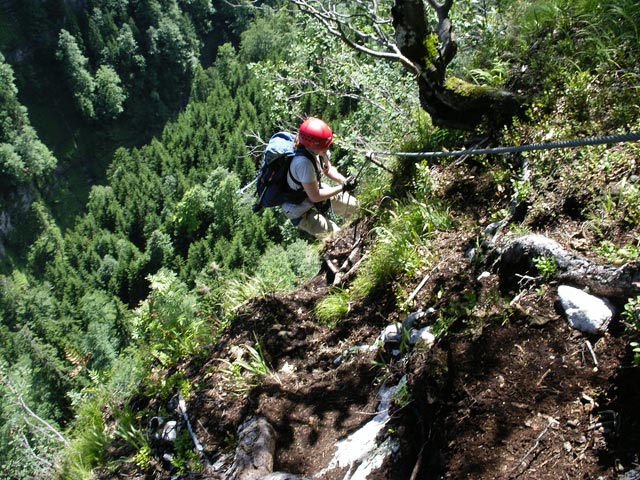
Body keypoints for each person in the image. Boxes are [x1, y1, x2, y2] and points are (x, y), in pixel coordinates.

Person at [281, 117, 359, 238]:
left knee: (356, 207)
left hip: (314, 191)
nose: (327, 149)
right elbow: (315, 196)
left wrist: (343, 181)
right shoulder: (303, 163)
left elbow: (327, 169)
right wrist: (343, 187)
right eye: (324, 147)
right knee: (337, 237)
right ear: (313, 145)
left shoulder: (318, 149)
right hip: (301, 210)